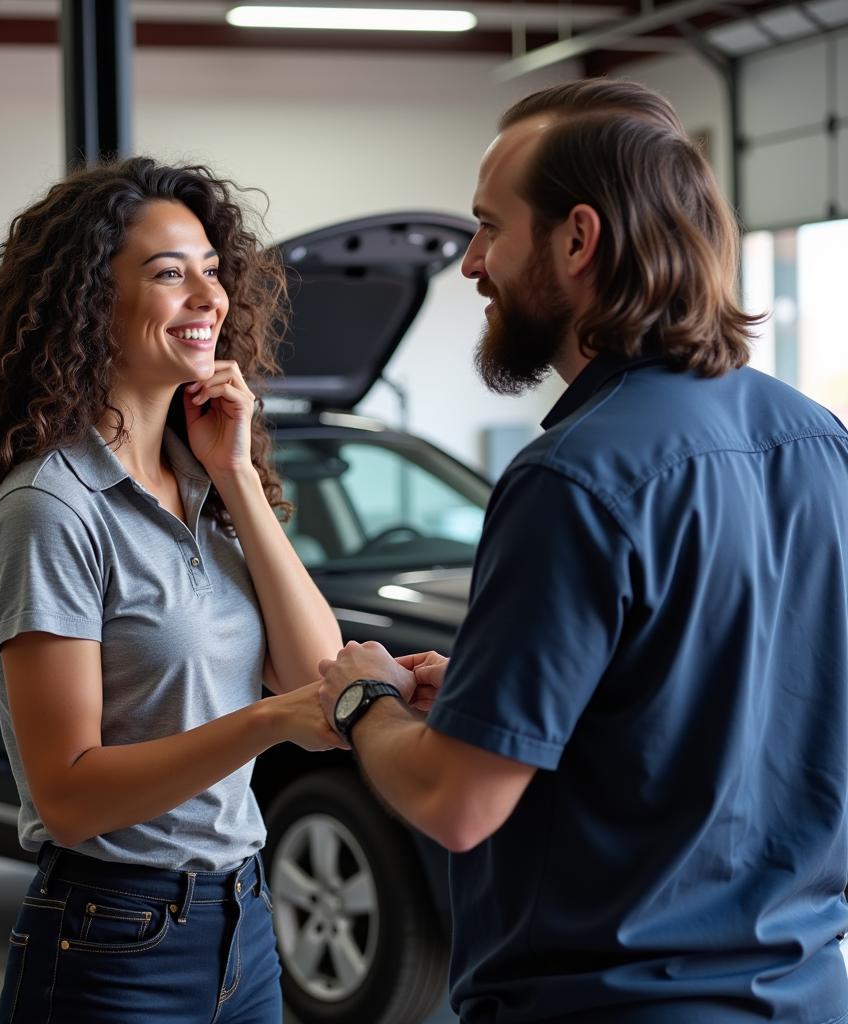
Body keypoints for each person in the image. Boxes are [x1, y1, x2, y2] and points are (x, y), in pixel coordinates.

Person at [317, 79, 848, 1023]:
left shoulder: (571, 479)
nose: (472, 264)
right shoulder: (820, 441)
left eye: (489, 228)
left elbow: (456, 803)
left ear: (577, 240)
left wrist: (364, 701)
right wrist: (495, 697)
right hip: (803, 995)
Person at [0, 157, 346, 1024]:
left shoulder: (206, 482)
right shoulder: (52, 509)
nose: (209, 296)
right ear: (89, 303)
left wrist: (235, 475)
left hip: (243, 920)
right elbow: (71, 795)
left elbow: (317, 670)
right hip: (113, 938)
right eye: (169, 274)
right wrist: (269, 721)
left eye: (210, 268)